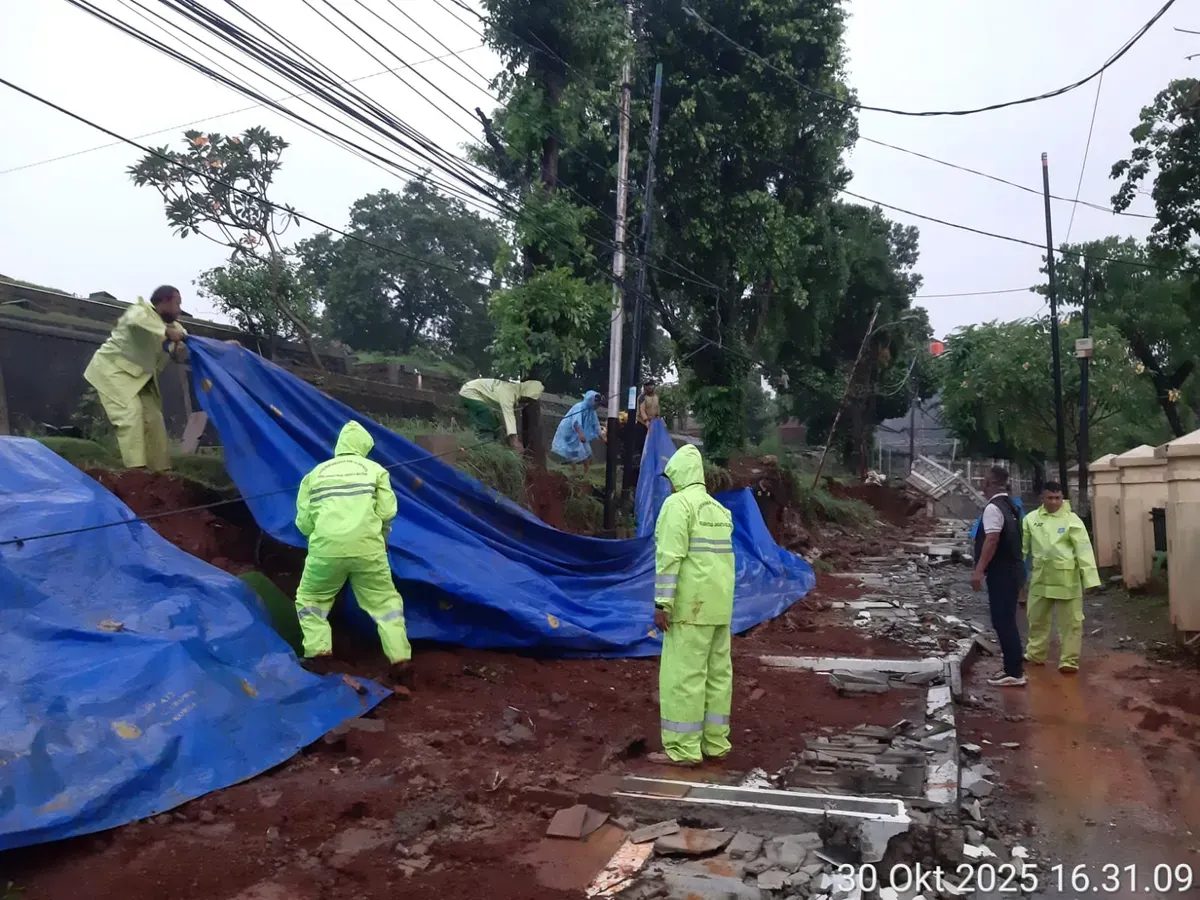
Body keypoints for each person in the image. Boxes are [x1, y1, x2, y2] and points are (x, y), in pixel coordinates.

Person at [294, 421, 412, 685]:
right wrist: (379, 534)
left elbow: (303, 522)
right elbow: (388, 511)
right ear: (363, 446)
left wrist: (324, 534)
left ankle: (318, 655)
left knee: (311, 598)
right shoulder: (375, 470)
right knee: (385, 604)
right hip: (368, 549)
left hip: (326, 550)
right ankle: (400, 658)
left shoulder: (314, 474)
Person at [648, 444, 736, 767]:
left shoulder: (677, 506)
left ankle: (684, 749)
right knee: (717, 677)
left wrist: (662, 604)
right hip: (719, 609)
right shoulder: (718, 510)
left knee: (684, 677)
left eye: (671, 478)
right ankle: (715, 743)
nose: (669, 485)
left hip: (689, 609)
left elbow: (669, 559)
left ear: (679, 476)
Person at [83, 285, 188, 471]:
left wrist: (223, 348)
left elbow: (186, 348)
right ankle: (136, 471)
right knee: (131, 413)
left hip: (141, 378)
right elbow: (137, 321)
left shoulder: (176, 327)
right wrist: (166, 333)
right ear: (164, 302)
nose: (179, 309)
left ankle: (161, 471)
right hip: (112, 371)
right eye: (177, 303)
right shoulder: (139, 311)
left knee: (155, 419)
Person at [1022, 481, 1100, 674]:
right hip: (1040, 577)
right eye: (1050, 498)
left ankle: (1069, 660)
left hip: (1067, 579)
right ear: (1042, 498)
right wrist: (1016, 575)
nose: (1055, 502)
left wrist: (1090, 580)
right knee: (1036, 619)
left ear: (1062, 498)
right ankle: (1035, 654)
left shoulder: (1072, 520)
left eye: (1058, 498)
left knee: (1071, 623)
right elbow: (1022, 548)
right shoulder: (1031, 519)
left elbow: (1084, 550)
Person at [971, 466, 1026, 687]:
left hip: (1001, 572)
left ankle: (1014, 671)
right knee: (1007, 620)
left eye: (985, 481)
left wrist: (978, 570)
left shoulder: (993, 508)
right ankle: (1014, 667)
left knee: (1002, 620)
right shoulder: (1012, 506)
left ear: (991, 483)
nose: (982, 486)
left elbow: (992, 540)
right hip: (1014, 570)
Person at [458, 378, 544, 449]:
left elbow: (504, 416)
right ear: (525, 394)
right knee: (486, 418)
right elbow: (509, 415)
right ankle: (485, 447)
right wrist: (514, 440)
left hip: (477, 394)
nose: (527, 402)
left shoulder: (513, 392)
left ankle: (496, 447)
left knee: (495, 424)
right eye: (528, 399)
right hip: (470, 392)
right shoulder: (509, 393)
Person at [551, 390, 603, 473]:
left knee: (582, 451)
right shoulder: (580, 407)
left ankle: (578, 470)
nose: (597, 406)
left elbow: (596, 424)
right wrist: (581, 434)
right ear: (591, 400)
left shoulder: (591, 411)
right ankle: (584, 471)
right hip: (569, 430)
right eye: (596, 403)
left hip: (578, 432)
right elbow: (576, 422)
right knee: (582, 451)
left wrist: (602, 437)